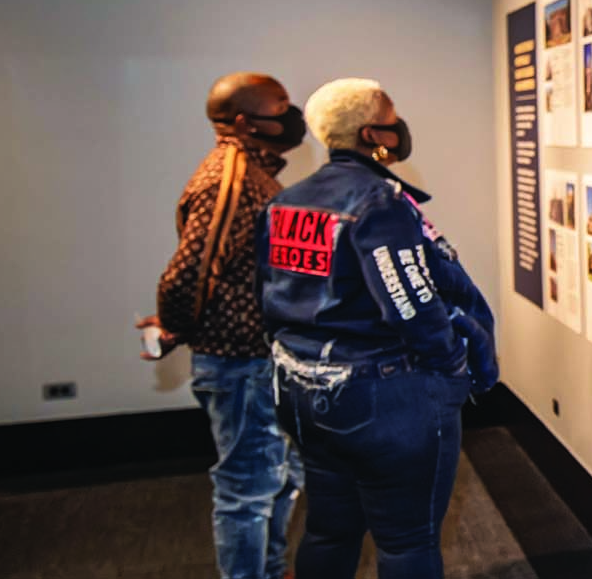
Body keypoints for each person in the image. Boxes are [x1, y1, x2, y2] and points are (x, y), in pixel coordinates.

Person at [259, 77, 497, 577]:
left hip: (304, 390)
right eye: (392, 119)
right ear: (373, 135)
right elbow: (410, 301)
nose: (399, 127)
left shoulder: (287, 200)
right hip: (381, 397)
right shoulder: (378, 202)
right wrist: (452, 370)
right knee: (408, 543)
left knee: (328, 530)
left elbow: (268, 291)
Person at [137, 72, 306, 579]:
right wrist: (173, 322)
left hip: (258, 360)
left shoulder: (252, 172)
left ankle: (271, 571)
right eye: (280, 106)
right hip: (239, 364)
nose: (290, 115)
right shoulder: (229, 177)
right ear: (242, 121)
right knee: (247, 489)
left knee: (279, 477)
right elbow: (192, 266)